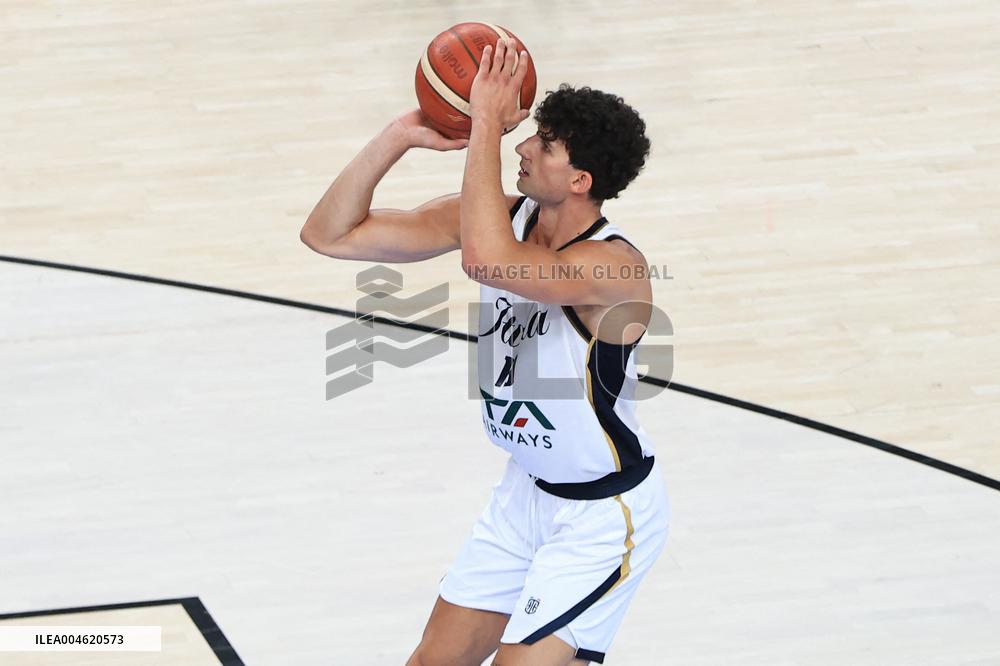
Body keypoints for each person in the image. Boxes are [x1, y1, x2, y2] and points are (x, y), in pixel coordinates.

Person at [302, 38, 669, 666]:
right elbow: (328, 234)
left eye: (543, 142)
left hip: (601, 518)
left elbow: (489, 263)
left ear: (580, 181)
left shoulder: (612, 266)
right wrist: (401, 134)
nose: (524, 144)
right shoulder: (500, 217)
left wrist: (485, 134)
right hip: (523, 495)